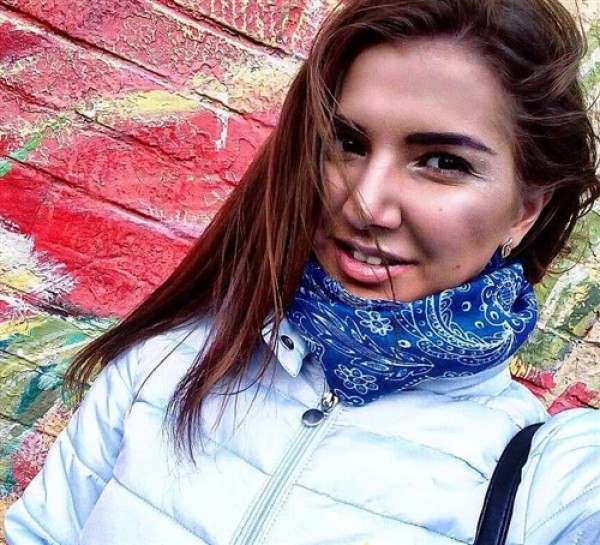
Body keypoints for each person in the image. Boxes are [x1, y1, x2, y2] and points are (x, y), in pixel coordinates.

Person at [4, 0, 600, 543]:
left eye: (442, 162)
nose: (365, 204)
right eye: (347, 143)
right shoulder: (165, 363)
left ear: (525, 210)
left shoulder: (543, 481)